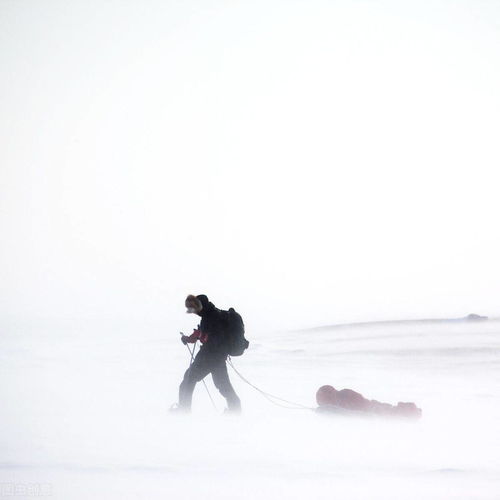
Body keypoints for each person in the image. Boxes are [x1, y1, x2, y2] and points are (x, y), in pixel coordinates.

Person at [174, 294, 241, 413]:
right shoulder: (211, 315)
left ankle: (183, 412)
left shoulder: (211, 316)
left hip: (209, 356)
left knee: (188, 380)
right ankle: (235, 411)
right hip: (218, 358)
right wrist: (190, 338)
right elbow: (203, 333)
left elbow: (211, 337)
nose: (194, 311)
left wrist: (198, 339)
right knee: (223, 386)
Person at [316, 385, 421, 418]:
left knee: (390, 412)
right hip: (372, 407)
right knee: (389, 410)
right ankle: (409, 412)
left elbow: (358, 408)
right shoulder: (340, 397)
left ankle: (410, 413)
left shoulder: (344, 394)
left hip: (373, 409)